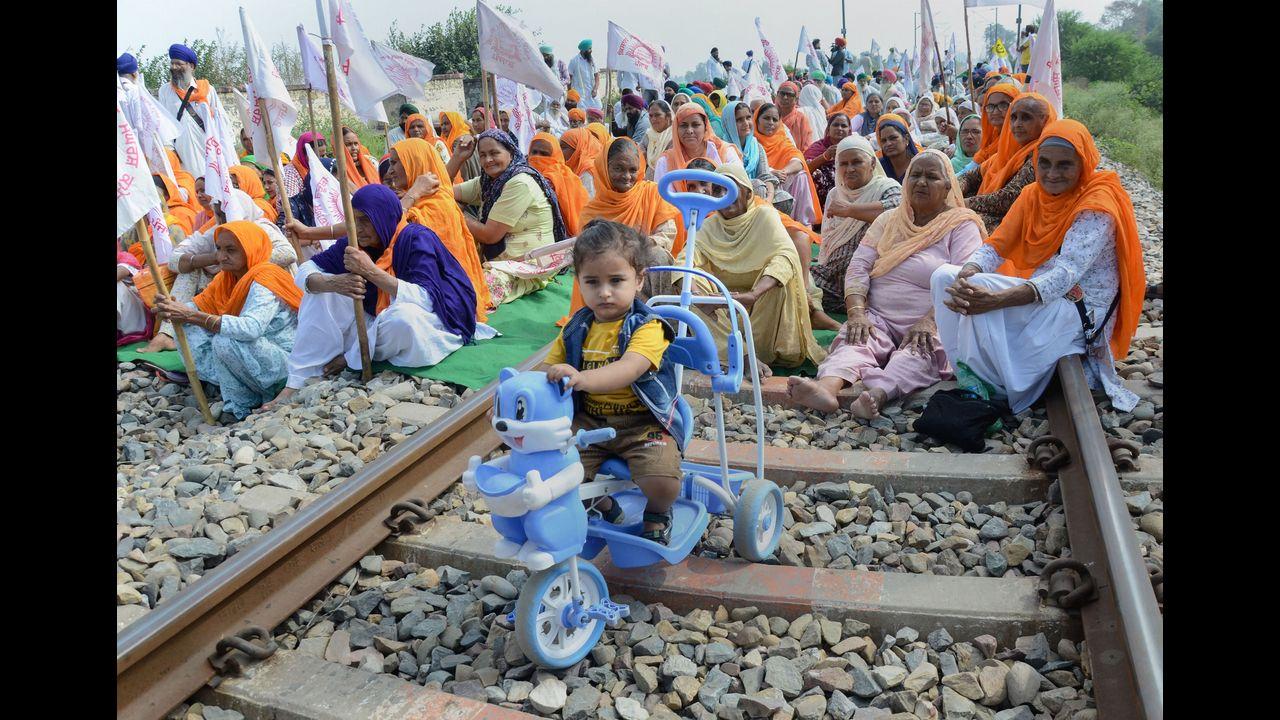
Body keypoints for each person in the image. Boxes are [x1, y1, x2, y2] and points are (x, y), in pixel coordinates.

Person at [932, 119, 1146, 414]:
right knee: (944, 276)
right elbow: (996, 245)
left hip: (1080, 309)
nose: (1052, 173)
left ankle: (992, 386)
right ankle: (967, 374)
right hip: (1042, 293)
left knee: (980, 293)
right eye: (1044, 163)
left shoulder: (1097, 203)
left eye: (1064, 165)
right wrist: (968, 272)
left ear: (1083, 163)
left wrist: (995, 300)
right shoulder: (1033, 194)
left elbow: (1066, 273)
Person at [790, 150, 984, 418]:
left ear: (948, 185)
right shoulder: (889, 219)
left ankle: (876, 397)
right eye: (915, 175)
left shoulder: (960, 226)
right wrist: (857, 312)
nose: (921, 182)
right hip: (879, 315)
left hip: (930, 319)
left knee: (917, 354)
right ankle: (825, 389)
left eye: (931, 177)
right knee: (854, 340)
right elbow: (859, 266)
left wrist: (930, 321)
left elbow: (963, 279)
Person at [269, 185, 491, 408]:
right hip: (379, 318)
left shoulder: (415, 238)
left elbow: (425, 298)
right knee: (321, 293)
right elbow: (306, 272)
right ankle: (297, 381)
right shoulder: (354, 243)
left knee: (403, 319)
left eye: (365, 220)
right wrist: (332, 282)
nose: (358, 228)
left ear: (383, 216)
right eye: (354, 220)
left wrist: (370, 271)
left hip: (435, 318)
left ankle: (350, 358)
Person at [542, 221, 684, 544]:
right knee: (554, 470)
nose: (604, 292)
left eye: (616, 280)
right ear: (579, 282)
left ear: (639, 280)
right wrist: (513, 401)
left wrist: (581, 378)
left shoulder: (648, 328)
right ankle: (601, 502)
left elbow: (629, 369)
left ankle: (658, 510)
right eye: (593, 282)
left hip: (642, 422)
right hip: (590, 421)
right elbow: (547, 372)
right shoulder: (576, 328)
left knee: (662, 478)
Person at [677, 163, 827, 370]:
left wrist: (754, 295)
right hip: (723, 313)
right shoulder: (710, 226)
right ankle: (743, 357)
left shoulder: (764, 215)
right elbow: (684, 262)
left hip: (762, 310)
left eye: (731, 188)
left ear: (747, 192)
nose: (724, 195)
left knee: (782, 278)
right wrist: (700, 298)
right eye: (719, 190)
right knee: (689, 282)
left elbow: (785, 256)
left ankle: (750, 353)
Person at [152, 221, 301, 419]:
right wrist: (171, 309)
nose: (221, 257)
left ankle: (255, 397)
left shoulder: (266, 278)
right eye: (219, 249)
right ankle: (241, 397)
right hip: (254, 354)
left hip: (284, 363)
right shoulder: (227, 278)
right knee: (187, 324)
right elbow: (197, 307)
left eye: (231, 250)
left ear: (250, 249)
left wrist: (192, 315)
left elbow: (251, 328)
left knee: (225, 339)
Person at [143, 188, 297, 353]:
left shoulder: (260, 227)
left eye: (227, 213)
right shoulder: (219, 231)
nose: (223, 219)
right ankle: (167, 333)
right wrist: (215, 258)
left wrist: (247, 257)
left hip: (264, 283)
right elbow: (175, 260)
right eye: (219, 214)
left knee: (226, 341)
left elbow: (288, 254)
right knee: (191, 271)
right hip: (232, 281)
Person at [451, 130, 569, 305]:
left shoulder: (519, 181)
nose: (488, 160)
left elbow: (490, 235)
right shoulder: (488, 181)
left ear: (511, 152)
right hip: (499, 262)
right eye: (482, 155)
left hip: (526, 266)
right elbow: (442, 190)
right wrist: (458, 158)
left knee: (469, 294)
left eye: (494, 153)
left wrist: (453, 212)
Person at [810, 135, 903, 314]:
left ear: (873, 164)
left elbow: (897, 210)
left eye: (857, 162)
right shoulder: (836, 194)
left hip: (871, 274)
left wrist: (850, 210)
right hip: (834, 275)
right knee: (796, 280)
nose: (850, 169)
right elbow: (829, 238)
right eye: (843, 164)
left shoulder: (887, 188)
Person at [960, 92, 1057, 232]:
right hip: (992, 214)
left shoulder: (1043, 155)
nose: (1017, 124)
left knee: (959, 223)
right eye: (1013, 117)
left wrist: (964, 203)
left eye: (1026, 118)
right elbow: (970, 176)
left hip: (1020, 222)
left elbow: (1009, 197)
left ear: (1044, 120)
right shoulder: (1006, 153)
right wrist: (955, 190)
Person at [158, 44, 238, 176]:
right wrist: (169, 151)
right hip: (182, 152)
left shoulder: (208, 90)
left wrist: (226, 148)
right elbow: (163, 123)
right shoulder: (165, 91)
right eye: (172, 63)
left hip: (208, 148)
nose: (174, 67)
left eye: (178, 64)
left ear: (191, 66)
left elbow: (221, 121)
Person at [754, 103, 823, 225]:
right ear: (756, 119)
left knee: (800, 175)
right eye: (766, 118)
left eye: (775, 120)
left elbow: (798, 160)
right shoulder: (751, 141)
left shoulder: (782, 139)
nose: (771, 122)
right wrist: (771, 172)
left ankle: (802, 223)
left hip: (781, 180)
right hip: (759, 183)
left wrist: (783, 172)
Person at [652, 103, 742, 188]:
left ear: (705, 127)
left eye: (695, 125)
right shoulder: (666, 161)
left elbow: (739, 188)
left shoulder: (724, 152)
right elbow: (661, 199)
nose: (689, 130)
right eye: (683, 126)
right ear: (676, 129)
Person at [528, 132, 589, 236]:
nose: (538, 157)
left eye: (544, 154)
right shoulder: (523, 175)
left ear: (555, 155)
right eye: (534, 152)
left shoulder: (566, 177)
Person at [282, 132, 336, 227]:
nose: (320, 160)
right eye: (315, 156)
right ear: (303, 154)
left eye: (323, 155)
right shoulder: (289, 174)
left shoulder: (325, 168)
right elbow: (291, 207)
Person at [804, 112, 853, 209]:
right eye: (835, 125)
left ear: (849, 130)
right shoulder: (818, 147)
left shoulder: (854, 146)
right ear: (828, 129)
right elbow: (806, 169)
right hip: (824, 195)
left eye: (843, 126)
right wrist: (825, 156)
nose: (839, 128)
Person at [972, 81, 1019, 166]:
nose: (995, 112)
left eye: (1003, 105)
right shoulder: (991, 137)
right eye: (990, 106)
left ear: (1015, 106)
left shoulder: (1019, 140)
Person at [721, 101, 769, 180]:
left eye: (748, 117)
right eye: (739, 120)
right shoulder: (722, 149)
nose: (746, 123)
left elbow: (765, 175)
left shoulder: (756, 146)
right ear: (728, 123)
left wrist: (770, 192)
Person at [876, 114, 920, 184]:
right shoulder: (879, 167)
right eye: (884, 140)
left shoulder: (919, 165)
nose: (888, 144)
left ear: (906, 138)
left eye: (893, 138)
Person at [561, 126, 602, 198]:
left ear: (577, 149)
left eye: (564, 147)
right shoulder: (572, 167)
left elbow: (587, 202)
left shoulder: (588, 170)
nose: (560, 151)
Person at [774, 82, 817, 151]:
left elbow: (807, 145)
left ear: (796, 99)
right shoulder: (770, 114)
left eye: (789, 95)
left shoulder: (801, 118)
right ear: (777, 95)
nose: (785, 97)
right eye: (782, 93)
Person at [337, 126, 381, 190]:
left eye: (356, 143)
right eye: (348, 144)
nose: (354, 148)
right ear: (339, 147)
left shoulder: (372, 162)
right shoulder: (338, 171)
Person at [641, 100, 674, 181]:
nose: (653, 119)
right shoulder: (649, 135)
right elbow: (639, 152)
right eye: (651, 116)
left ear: (668, 116)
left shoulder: (674, 136)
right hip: (647, 182)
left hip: (667, 182)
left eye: (657, 115)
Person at [568, 40, 602, 112]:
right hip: (580, 95)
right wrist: (570, 93)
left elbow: (597, 77)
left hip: (592, 94)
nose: (591, 50)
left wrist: (595, 89)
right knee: (582, 114)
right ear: (583, 50)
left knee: (597, 111)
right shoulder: (574, 61)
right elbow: (569, 79)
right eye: (589, 49)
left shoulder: (593, 60)